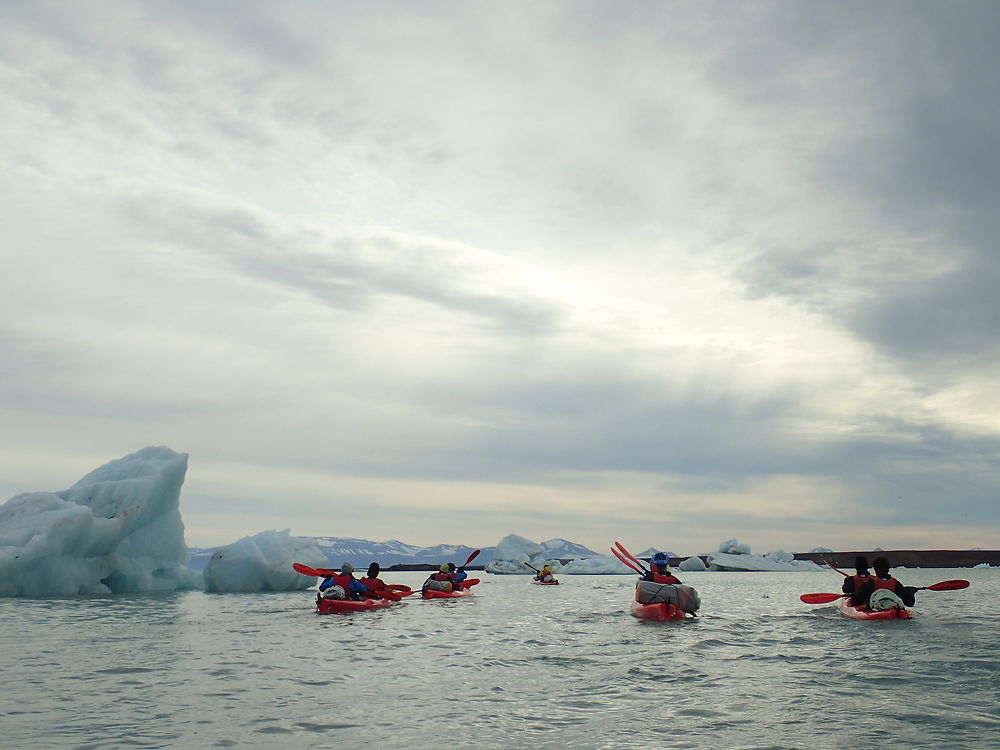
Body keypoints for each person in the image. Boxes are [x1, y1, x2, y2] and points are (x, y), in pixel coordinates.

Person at [849, 556, 916, 609]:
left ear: (875, 569)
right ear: (888, 569)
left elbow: (855, 602)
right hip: (893, 612)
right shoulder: (896, 583)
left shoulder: (869, 584)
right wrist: (910, 592)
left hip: (875, 613)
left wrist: (853, 596)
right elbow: (909, 603)